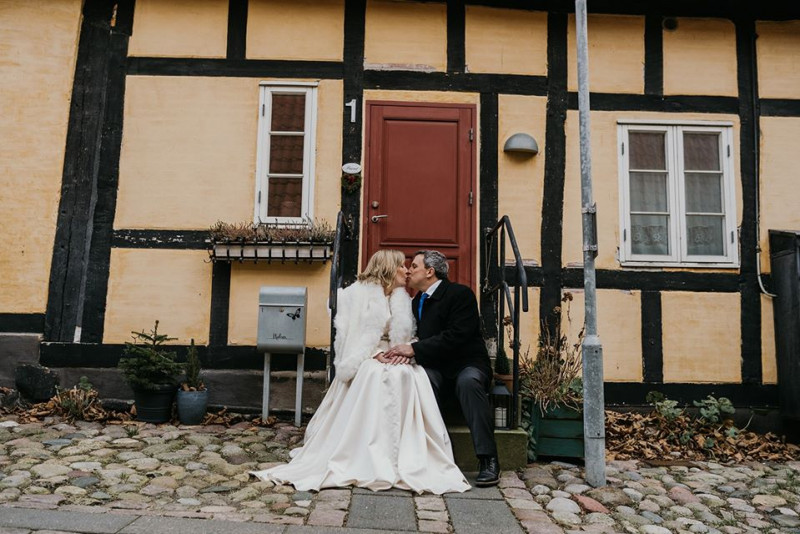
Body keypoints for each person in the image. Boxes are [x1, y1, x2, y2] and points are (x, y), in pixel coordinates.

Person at [251, 249, 469, 494]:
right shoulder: (355, 295)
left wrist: (404, 351)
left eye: (409, 266)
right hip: (366, 355)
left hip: (395, 352)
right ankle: (365, 448)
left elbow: (411, 334)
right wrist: (374, 353)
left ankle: (405, 450)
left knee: (407, 375)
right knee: (374, 375)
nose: (406, 271)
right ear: (388, 269)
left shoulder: (403, 298)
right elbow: (351, 336)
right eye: (401, 266)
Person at [384, 250, 500, 487]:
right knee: (419, 381)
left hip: (467, 363)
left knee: (469, 383)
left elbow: (457, 335)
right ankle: (429, 457)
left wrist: (414, 349)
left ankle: (488, 459)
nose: (408, 271)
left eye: (414, 266)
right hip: (435, 366)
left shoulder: (460, 294)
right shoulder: (416, 301)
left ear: (430, 271)